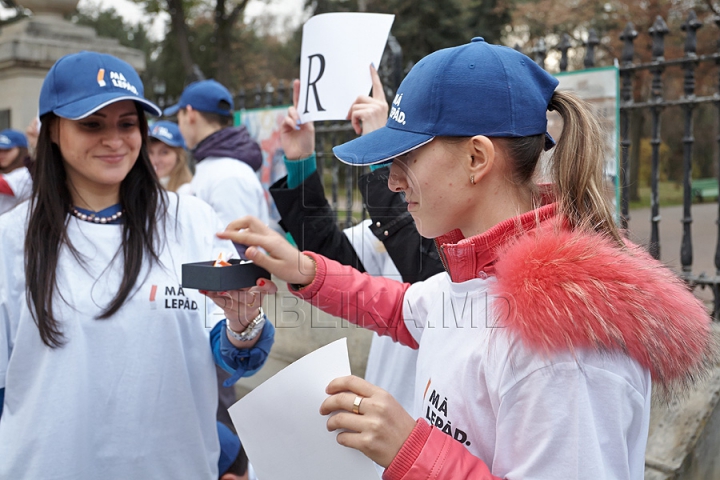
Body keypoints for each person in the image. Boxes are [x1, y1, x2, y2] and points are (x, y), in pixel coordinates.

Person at [218, 38, 714, 479]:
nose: (391, 181)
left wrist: (410, 452)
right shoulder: (477, 274)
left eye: (406, 158)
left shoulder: (566, 347)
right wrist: (303, 269)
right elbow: (403, 308)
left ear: (477, 159)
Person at [0, 51, 276, 479]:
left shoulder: (193, 219)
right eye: (92, 124)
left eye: (127, 124)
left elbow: (228, 358)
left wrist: (243, 326)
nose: (114, 140)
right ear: (52, 130)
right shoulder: (11, 239)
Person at [269, 68, 443, 422]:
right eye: (399, 156)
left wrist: (381, 152)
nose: (397, 178)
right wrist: (301, 162)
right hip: (385, 436)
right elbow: (330, 257)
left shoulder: (482, 240)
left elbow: (426, 267)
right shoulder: (407, 219)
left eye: (408, 153)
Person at [164, 79, 269, 228]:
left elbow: (237, 246)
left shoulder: (228, 174)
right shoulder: (219, 165)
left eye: (179, 117)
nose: (179, 125)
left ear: (190, 114)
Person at [148, 120, 193, 193]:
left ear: (179, 156)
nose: (155, 160)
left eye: (164, 152)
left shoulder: (187, 192)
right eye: (149, 152)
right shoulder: (140, 190)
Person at [0, 129, 32, 215]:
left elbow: (3, 185)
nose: (2, 154)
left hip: (19, 225)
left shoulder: (26, 173)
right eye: (0, 150)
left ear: (21, 150)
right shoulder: (4, 172)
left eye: (7, 150)